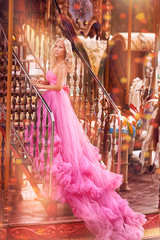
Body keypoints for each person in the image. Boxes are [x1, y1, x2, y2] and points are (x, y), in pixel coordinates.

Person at [30, 38, 146, 240]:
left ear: (66, 52)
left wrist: (43, 88)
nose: (57, 49)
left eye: (61, 47)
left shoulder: (63, 65)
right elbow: (53, 83)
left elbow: (58, 88)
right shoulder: (55, 64)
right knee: (54, 139)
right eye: (55, 46)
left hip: (57, 101)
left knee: (63, 140)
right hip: (52, 100)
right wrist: (41, 82)